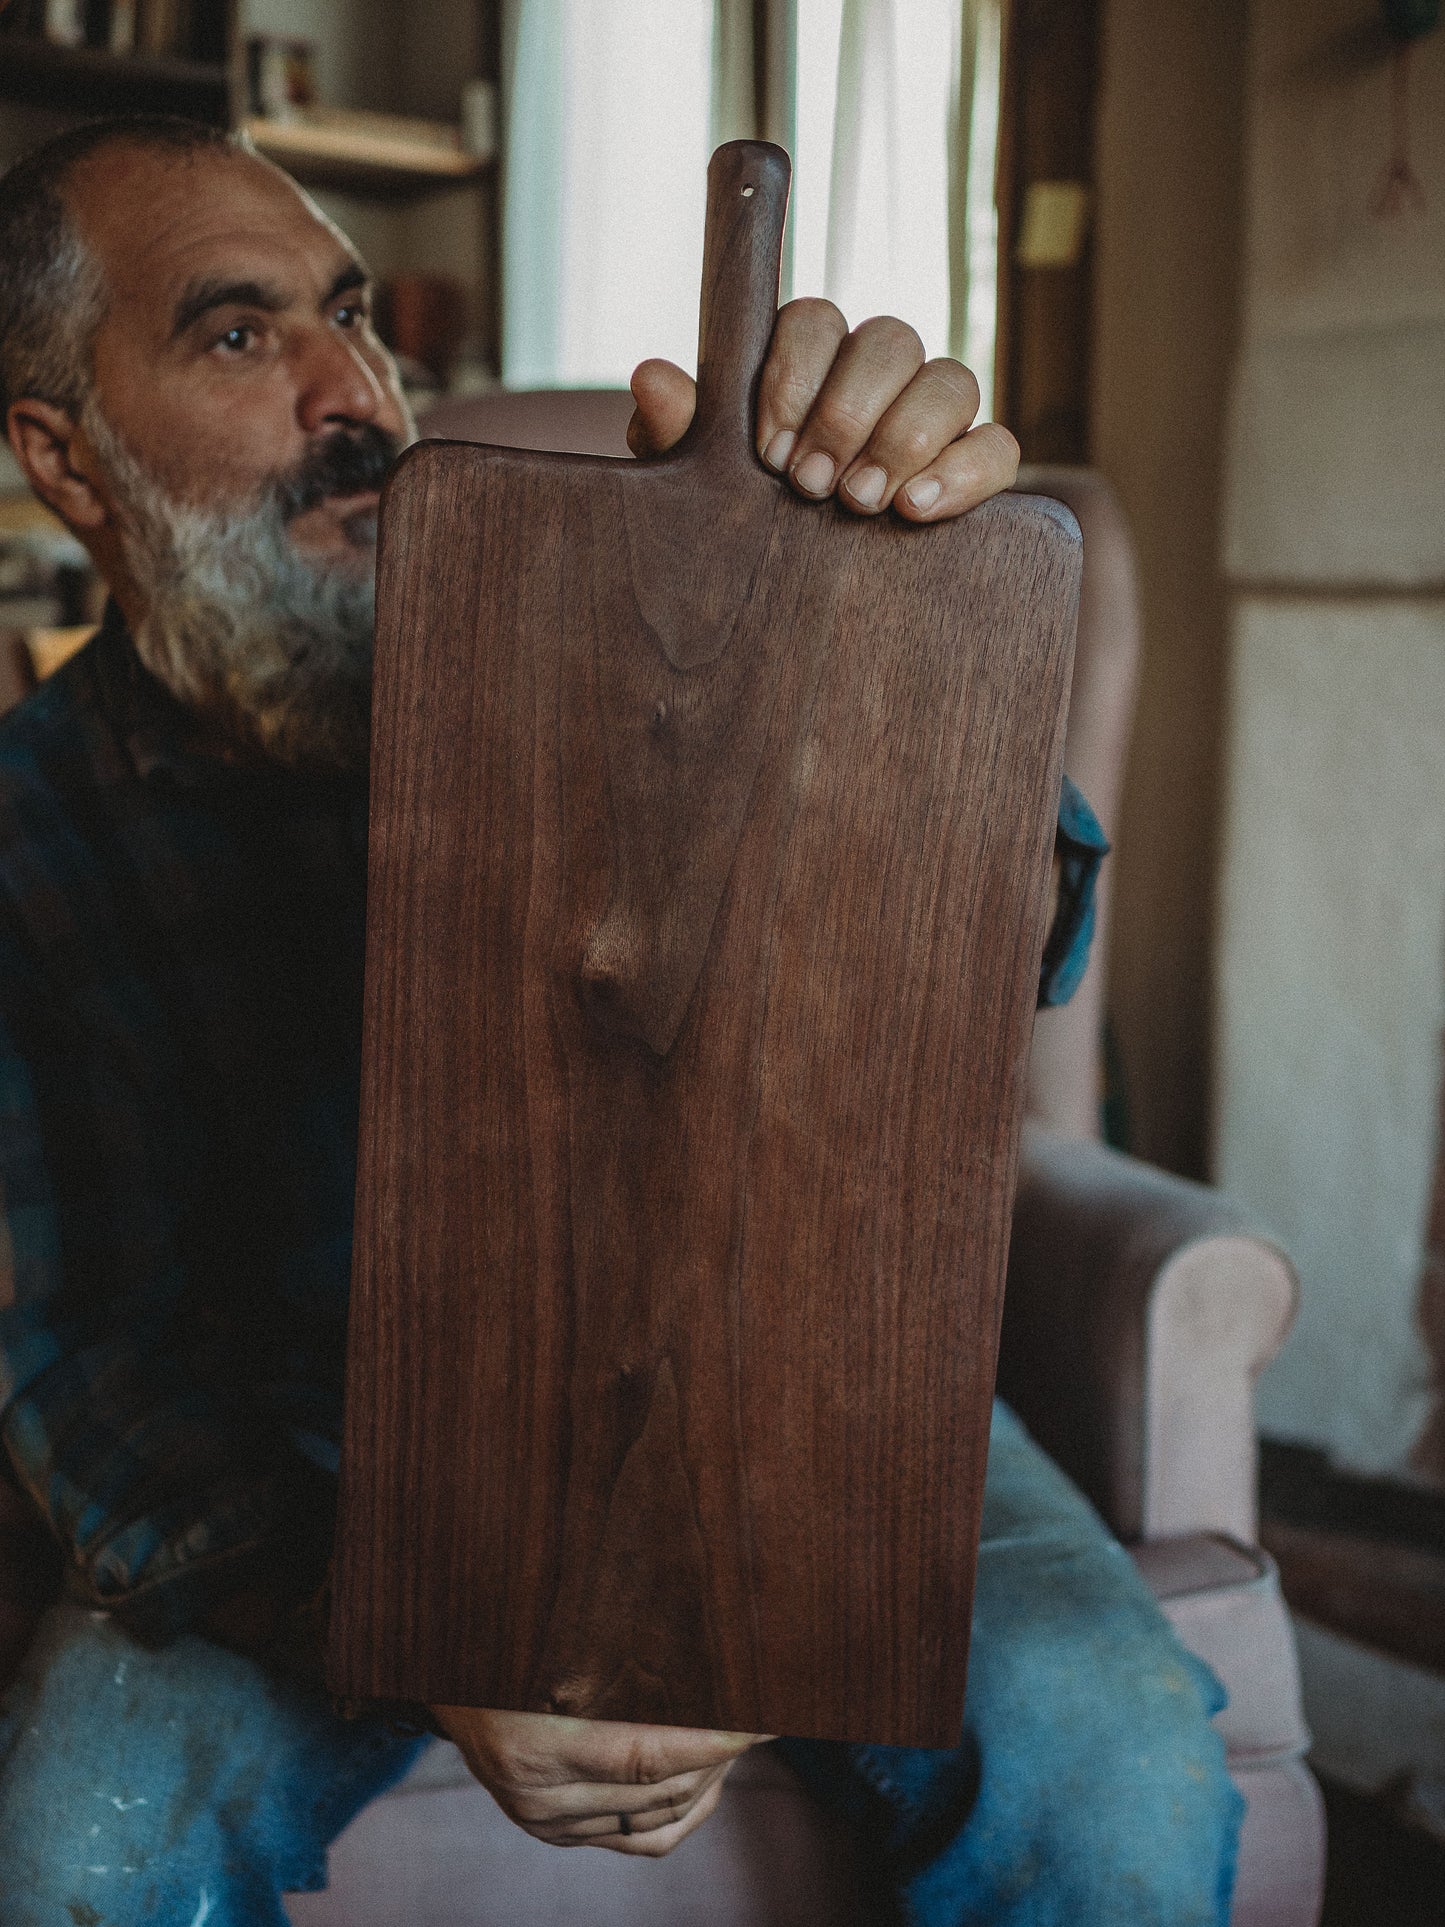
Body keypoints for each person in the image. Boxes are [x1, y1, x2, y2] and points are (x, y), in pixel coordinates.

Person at [0, 116, 1239, 1926]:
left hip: (817, 1384)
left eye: (354, 315)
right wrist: (417, 1629)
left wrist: (854, 613)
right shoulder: (30, 833)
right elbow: (78, 1350)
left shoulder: (630, 633)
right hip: (309, 1458)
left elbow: (1001, 954)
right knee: (74, 1844)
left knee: (1111, 1752)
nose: (357, 393)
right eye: (239, 334)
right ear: (64, 457)